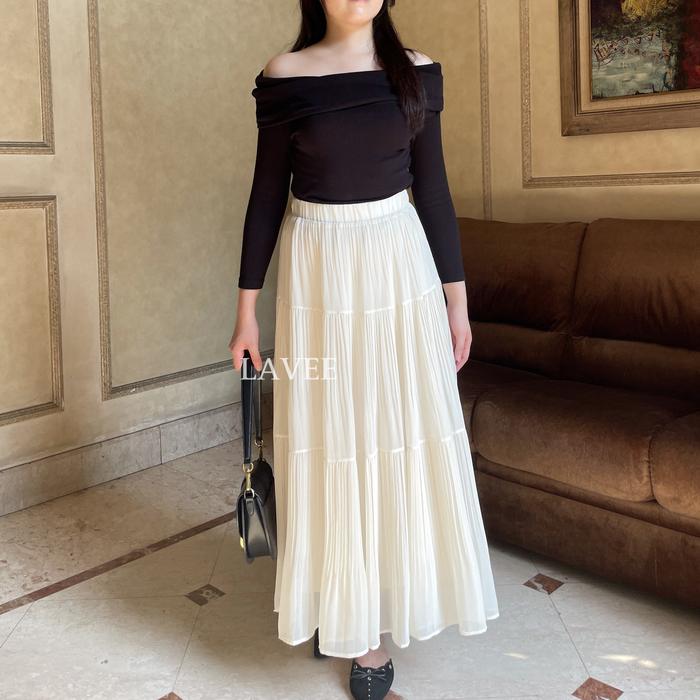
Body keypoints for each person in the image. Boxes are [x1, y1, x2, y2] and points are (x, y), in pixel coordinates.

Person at [229, 1, 499, 698]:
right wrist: (246, 315)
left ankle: (377, 617)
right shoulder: (286, 74)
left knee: (391, 434)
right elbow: (266, 196)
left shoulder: (416, 71)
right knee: (329, 438)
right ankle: (339, 603)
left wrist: (456, 300)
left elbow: (432, 190)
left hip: (398, 267)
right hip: (317, 269)